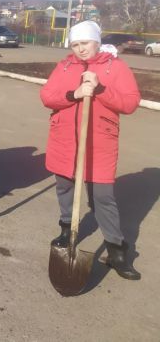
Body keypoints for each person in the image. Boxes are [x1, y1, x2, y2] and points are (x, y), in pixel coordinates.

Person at [40, 20, 141, 280]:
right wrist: (74, 93)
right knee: (64, 187)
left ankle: (116, 250)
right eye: (75, 44)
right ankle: (67, 230)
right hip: (64, 139)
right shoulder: (64, 66)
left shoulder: (114, 67)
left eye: (84, 43)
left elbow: (130, 103)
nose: (80, 49)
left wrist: (100, 90)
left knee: (102, 196)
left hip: (100, 142)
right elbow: (47, 96)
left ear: (96, 41)